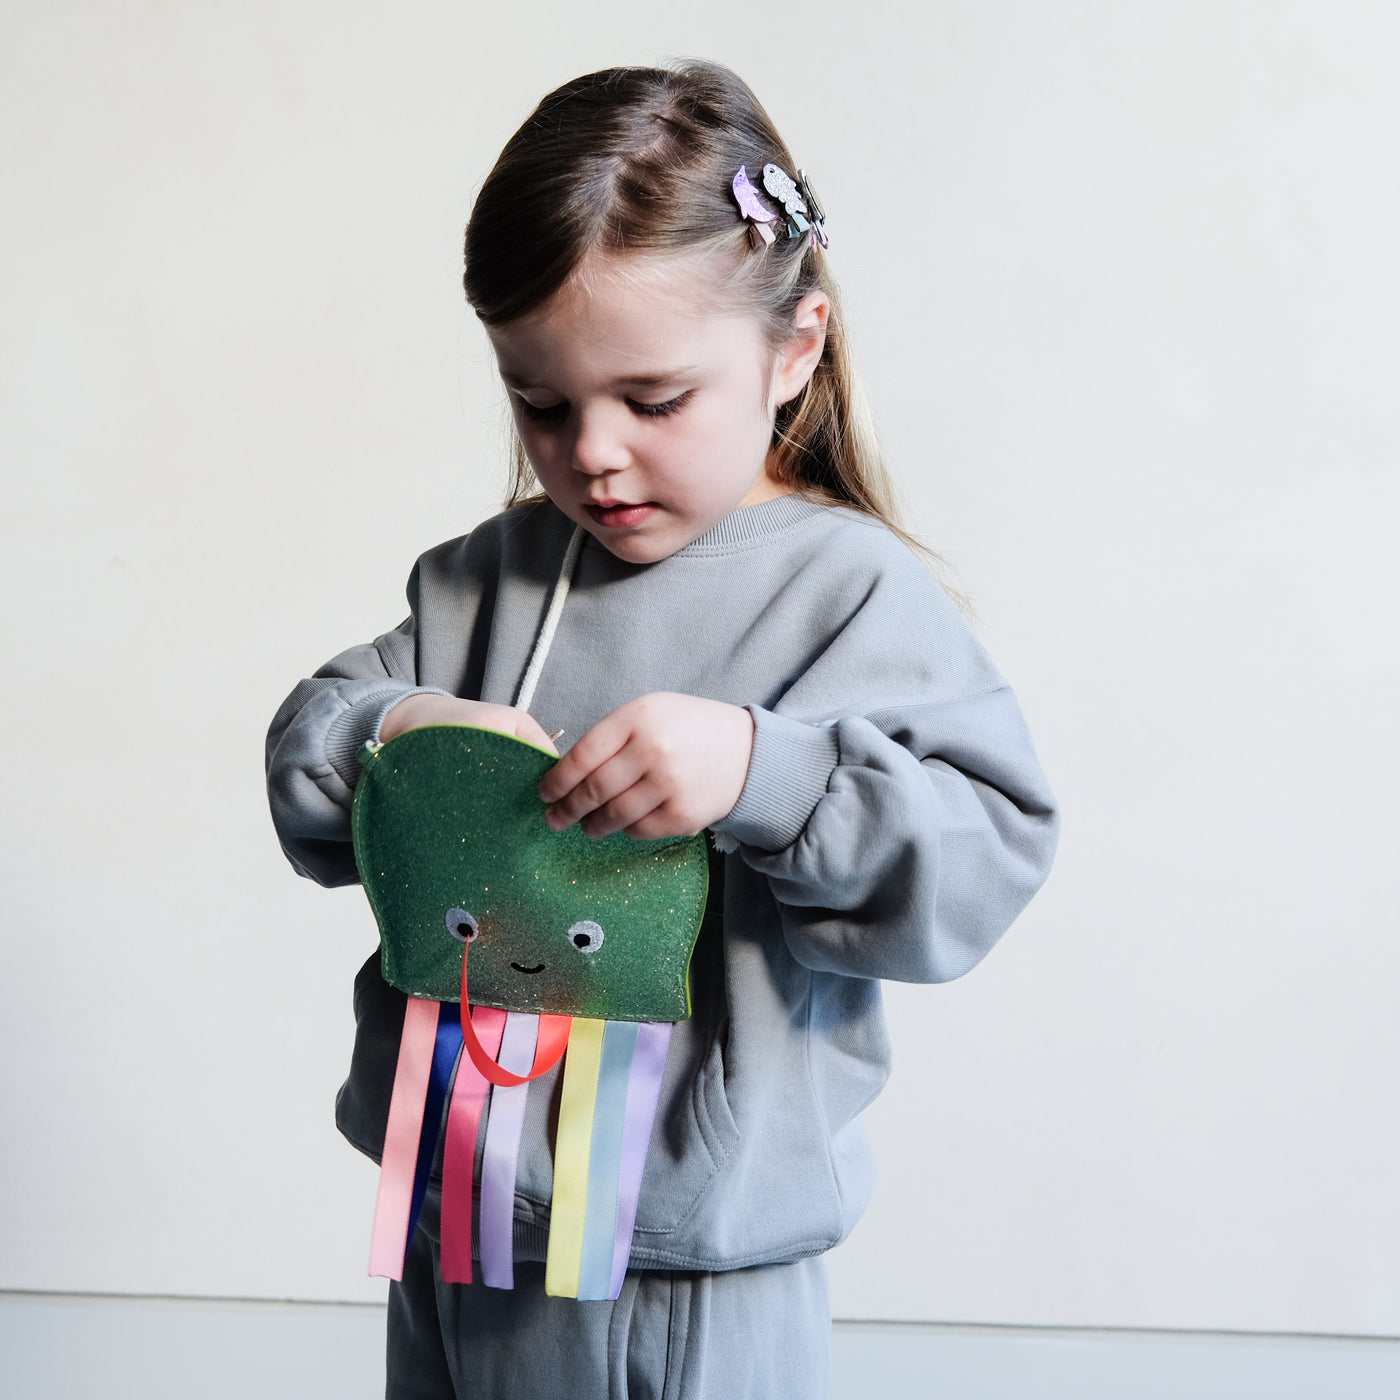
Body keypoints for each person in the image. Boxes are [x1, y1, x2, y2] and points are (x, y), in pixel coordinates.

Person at [266, 59, 1059, 1400]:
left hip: (683, 1265)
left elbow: (982, 853)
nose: (593, 455)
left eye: (653, 398)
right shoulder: (484, 578)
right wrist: (402, 732)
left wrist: (765, 773)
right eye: (542, 402)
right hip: (457, 1224)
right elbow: (308, 750)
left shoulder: (846, 590)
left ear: (793, 347)